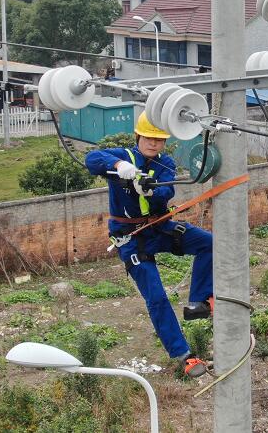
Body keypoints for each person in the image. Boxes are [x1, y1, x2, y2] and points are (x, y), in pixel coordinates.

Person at [85, 113, 214, 377]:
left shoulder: (165, 164)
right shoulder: (123, 156)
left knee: (208, 243)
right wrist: (120, 166)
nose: (153, 144)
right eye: (149, 138)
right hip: (130, 238)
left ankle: (199, 301)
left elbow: (168, 191)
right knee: (156, 296)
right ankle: (183, 355)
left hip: (159, 227)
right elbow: (92, 159)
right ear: (138, 137)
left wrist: (151, 190)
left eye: (159, 140)